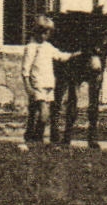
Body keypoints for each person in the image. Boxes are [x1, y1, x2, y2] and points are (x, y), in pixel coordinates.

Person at [20, 15, 73, 144]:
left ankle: (34, 137)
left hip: (49, 84)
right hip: (37, 84)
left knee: (44, 114)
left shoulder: (48, 46)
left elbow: (60, 56)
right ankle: (37, 137)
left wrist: (75, 54)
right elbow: (25, 69)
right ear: (37, 32)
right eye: (43, 32)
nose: (46, 35)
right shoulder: (31, 47)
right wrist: (28, 86)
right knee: (43, 113)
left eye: (48, 33)